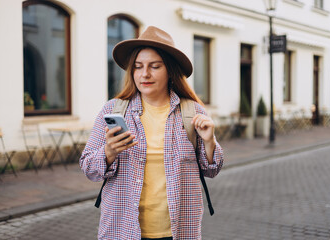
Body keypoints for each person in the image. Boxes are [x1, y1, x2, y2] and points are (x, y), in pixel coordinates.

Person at [80, 26, 224, 240]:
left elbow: (211, 170)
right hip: (122, 230)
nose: (145, 74)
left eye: (154, 66)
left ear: (170, 70)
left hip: (178, 232)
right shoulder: (113, 110)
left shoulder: (192, 112)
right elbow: (88, 167)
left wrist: (210, 141)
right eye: (138, 67)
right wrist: (109, 152)